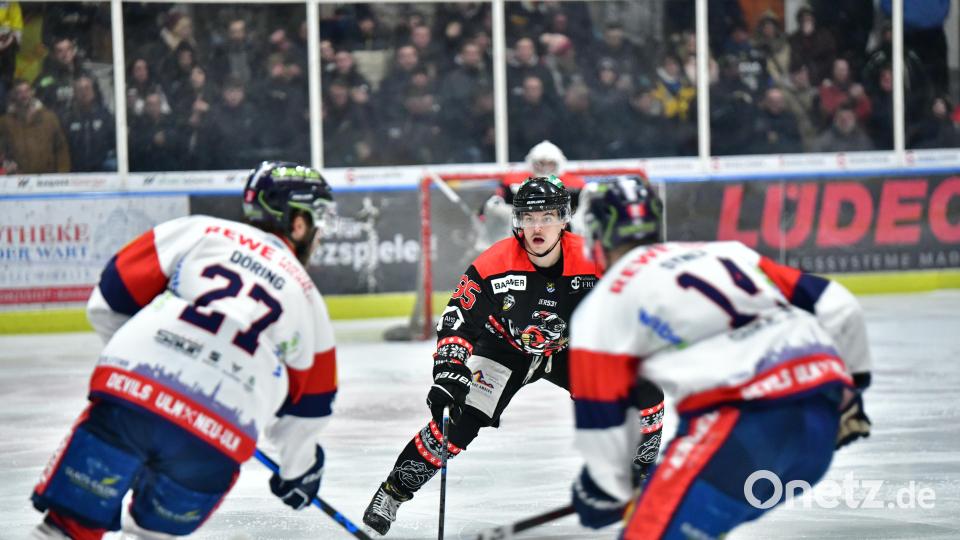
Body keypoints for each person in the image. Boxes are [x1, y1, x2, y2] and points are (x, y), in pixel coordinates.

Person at [30, 162, 339, 539]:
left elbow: (110, 298)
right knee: (152, 536)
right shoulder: (309, 301)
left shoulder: (200, 231)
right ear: (299, 223)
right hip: (217, 437)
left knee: (66, 529)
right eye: (319, 221)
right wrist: (299, 470)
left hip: (129, 403)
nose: (320, 237)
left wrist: (144, 364)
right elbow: (308, 413)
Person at [567, 176, 873, 539]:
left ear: (596, 237)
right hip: (819, 426)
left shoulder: (604, 304)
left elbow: (604, 433)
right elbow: (839, 305)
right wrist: (851, 392)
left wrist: (600, 491)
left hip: (740, 430)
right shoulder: (729, 253)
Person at [363, 176, 664, 536]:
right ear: (517, 220)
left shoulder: (592, 258)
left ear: (564, 219)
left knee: (645, 391)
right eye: (529, 218)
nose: (537, 227)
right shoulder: (495, 263)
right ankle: (393, 492)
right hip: (505, 348)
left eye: (547, 217)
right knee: (457, 421)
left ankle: (640, 481)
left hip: (569, 349)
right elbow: (458, 319)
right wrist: (448, 369)